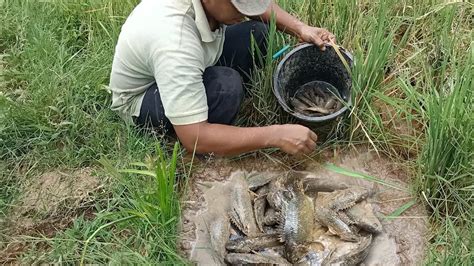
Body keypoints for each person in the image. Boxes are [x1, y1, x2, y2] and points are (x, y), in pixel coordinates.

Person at [109, 0, 336, 156]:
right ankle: (202, 148)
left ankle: (222, 121)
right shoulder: (174, 41)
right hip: (144, 99)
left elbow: (253, 7)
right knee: (226, 88)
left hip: (184, 65)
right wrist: (275, 135)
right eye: (237, 5)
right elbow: (193, 136)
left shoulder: (214, 7)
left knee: (258, 33)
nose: (245, 11)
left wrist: (301, 29)